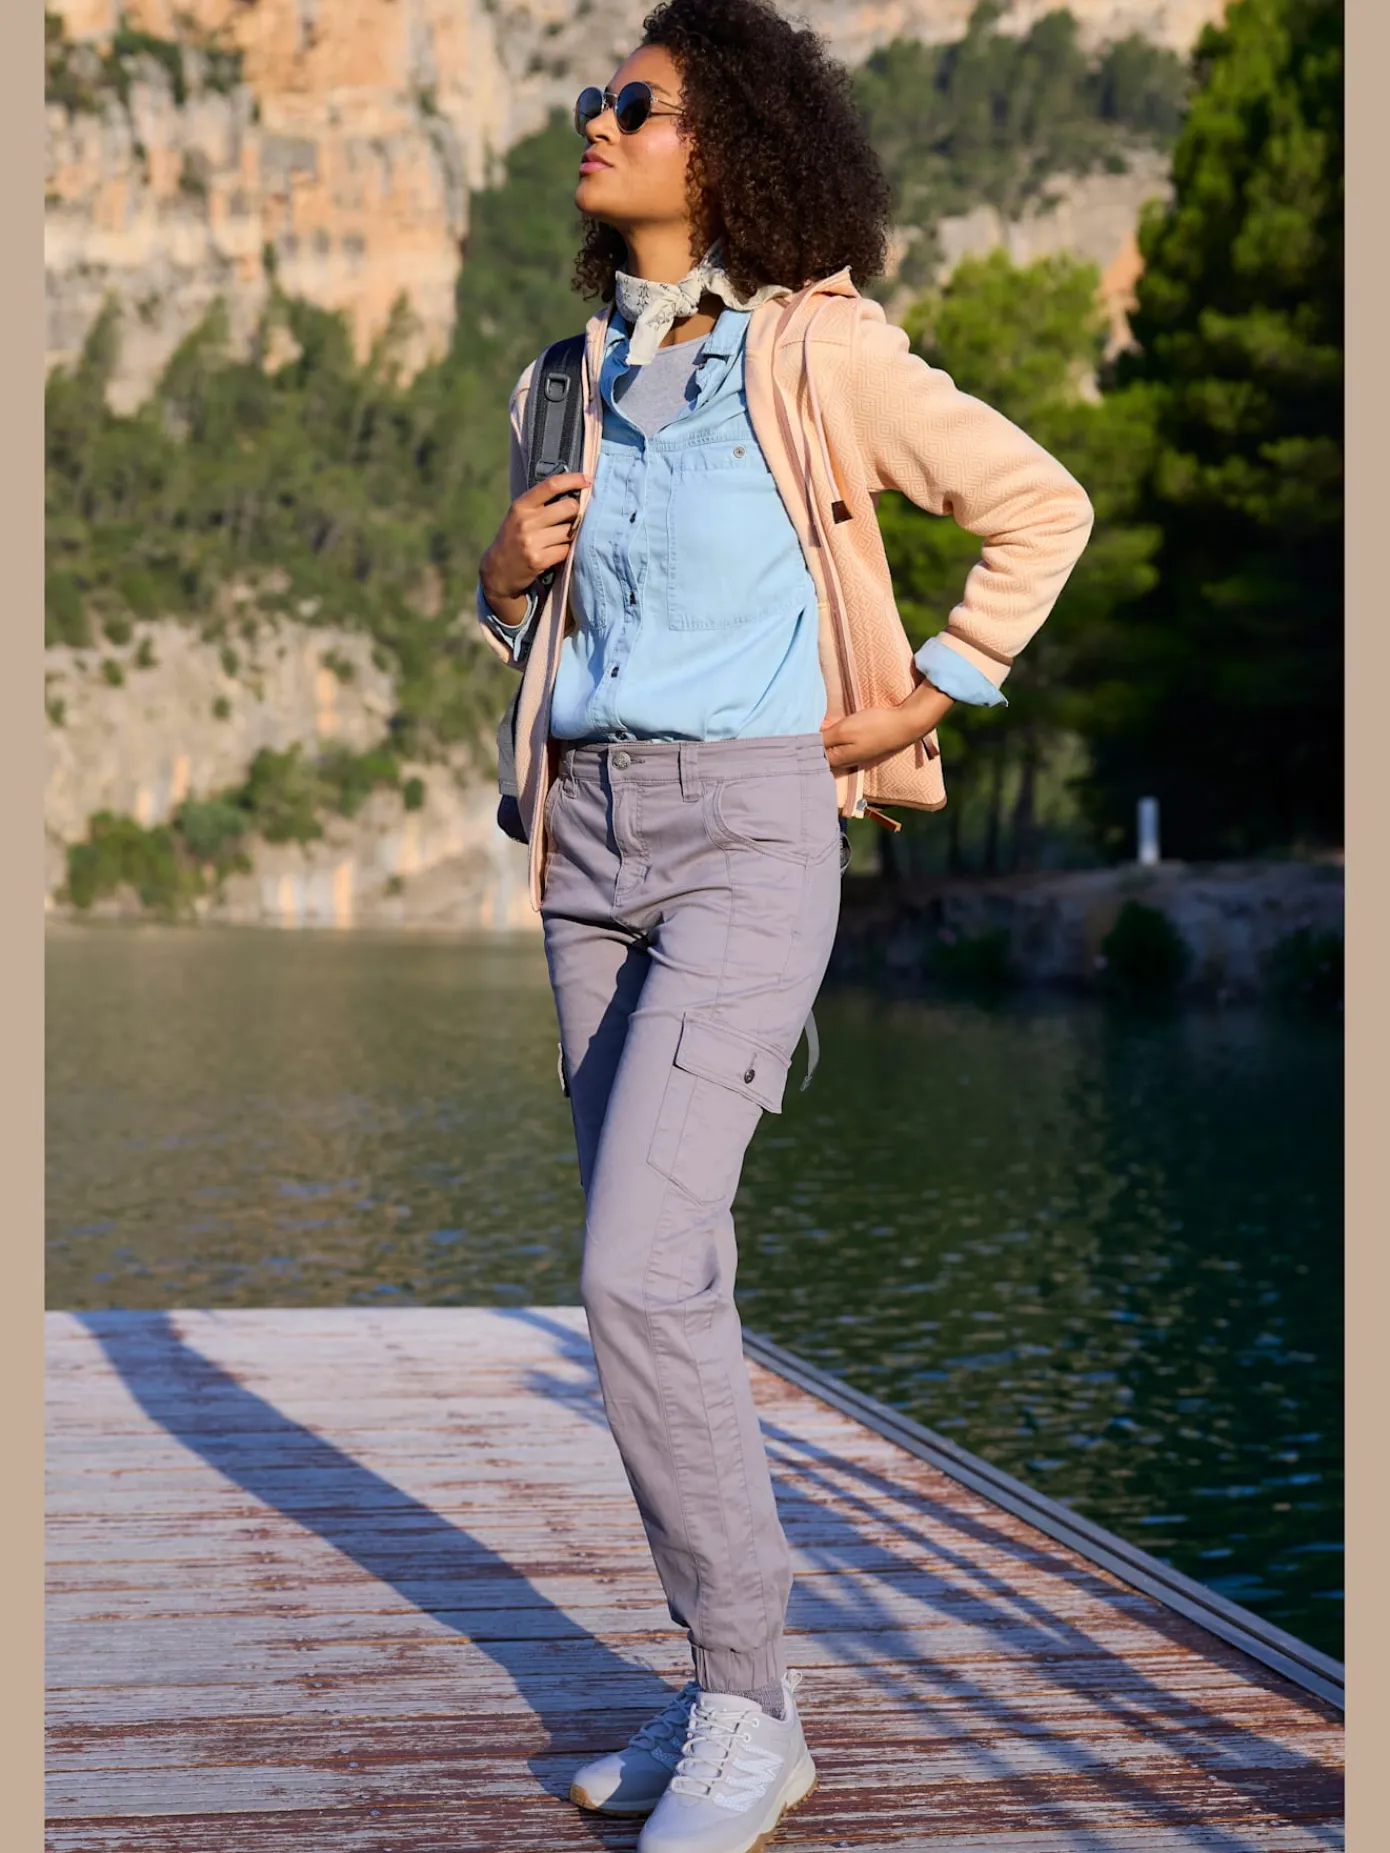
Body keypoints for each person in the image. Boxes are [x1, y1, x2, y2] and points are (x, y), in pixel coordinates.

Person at [474, 3, 1093, 1847]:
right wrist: (497, 583)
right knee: (668, 1277)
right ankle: (717, 1687)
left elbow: (1038, 505)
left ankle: (752, 1708)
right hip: (583, 845)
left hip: (749, 833)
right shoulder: (563, 377)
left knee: (631, 1273)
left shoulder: (818, 353)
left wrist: (935, 688)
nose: (594, 121)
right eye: (592, 96)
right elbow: (558, 631)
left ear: (730, 143)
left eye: (635, 102)